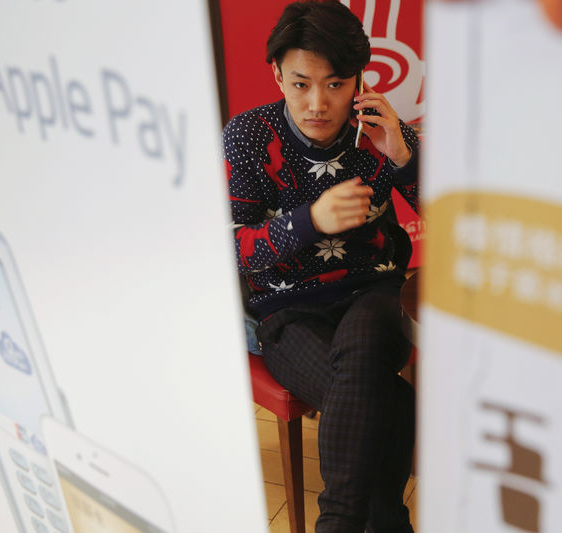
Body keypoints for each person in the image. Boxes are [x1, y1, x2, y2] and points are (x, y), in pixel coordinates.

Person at [222, 1, 419, 532]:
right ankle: (389, 523)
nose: (317, 103)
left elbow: (451, 225)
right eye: (301, 83)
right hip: (286, 309)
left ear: (359, 80)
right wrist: (309, 221)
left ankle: (336, 523)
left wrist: (402, 156)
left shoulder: (381, 130)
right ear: (277, 75)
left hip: (371, 291)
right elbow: (233, 249)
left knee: (361, 357)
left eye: (335, 85)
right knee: (385, 398)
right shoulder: (248, 135)